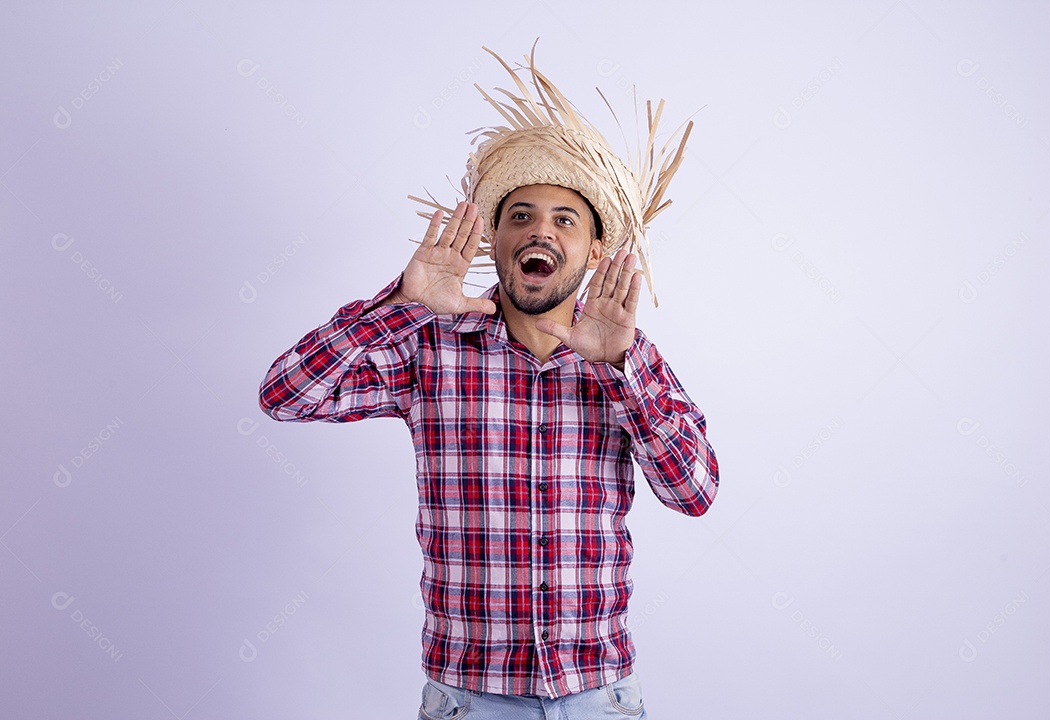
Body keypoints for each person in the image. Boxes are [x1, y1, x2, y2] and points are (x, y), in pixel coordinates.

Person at [259, 45, 719, 720]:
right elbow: (284, 395)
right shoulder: (427, 348)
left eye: (565, 219)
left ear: (593, 251)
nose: (541, 230)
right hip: (469, 701)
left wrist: (622, 369)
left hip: (599, 698)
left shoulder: (628, 359)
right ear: (496, 242)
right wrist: (400, 305)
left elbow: (696, 493)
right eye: (521, 216)